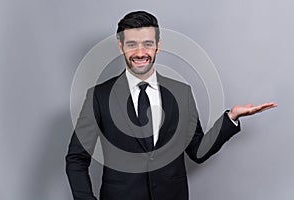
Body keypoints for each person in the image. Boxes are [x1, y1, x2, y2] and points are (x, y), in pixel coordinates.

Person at [65, 11, 277, 200]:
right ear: (121, 47)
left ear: (158, 45)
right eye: (132, 44)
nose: (140, 52)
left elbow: (198, 151)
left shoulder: (181, 93)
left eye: (148, 43)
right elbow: (76, 158)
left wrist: (231, 117)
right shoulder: (99, 96)